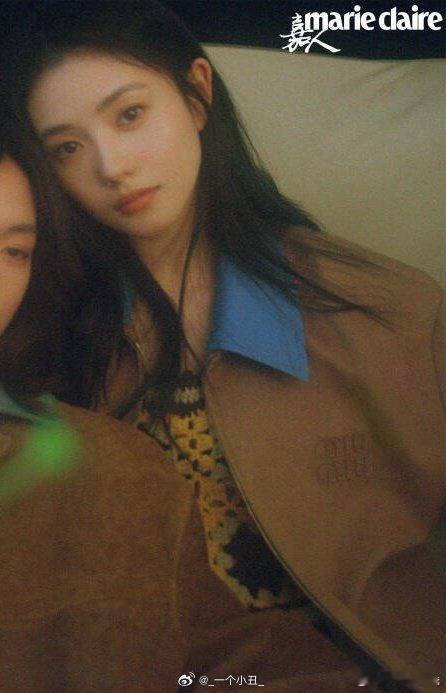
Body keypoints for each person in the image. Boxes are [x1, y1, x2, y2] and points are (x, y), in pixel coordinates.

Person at [1, 1, 445, 689]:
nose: (111, 166)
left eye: (129, 114)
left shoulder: (390, 309)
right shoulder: (38, 328)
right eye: (66, 147)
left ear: (197, 95)